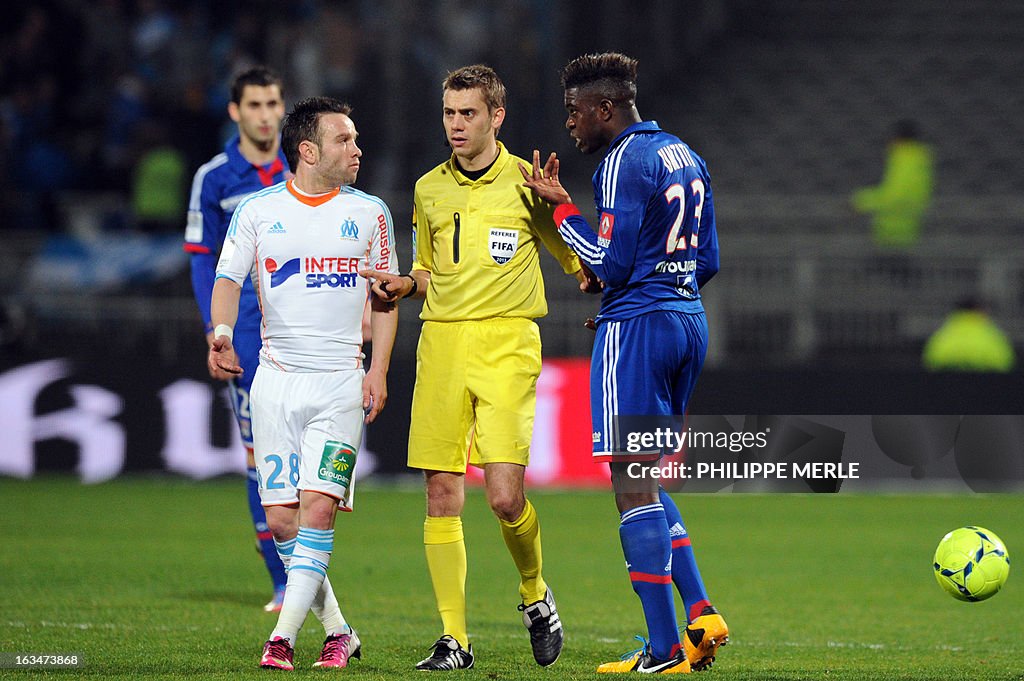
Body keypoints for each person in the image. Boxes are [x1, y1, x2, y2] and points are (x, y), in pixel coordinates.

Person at [361, 64, 596, 671]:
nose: (456, 124)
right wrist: (402, 282)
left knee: (502, 497)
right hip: (439, 345)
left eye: (468, 113)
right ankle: (454, 639)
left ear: (497, 117)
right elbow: (429, 270)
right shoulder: (426, 189)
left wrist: (565, 205)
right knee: (441, 494)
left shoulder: (526, 181)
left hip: (506, 344)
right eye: (448, 113)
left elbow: (584, 266)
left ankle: (534, 593)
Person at [519, 52, 727, 674]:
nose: (571, 126)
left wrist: (559, 207)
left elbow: (607, 262)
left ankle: (665, 652)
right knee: (650, 475)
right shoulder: (685, 154)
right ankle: (700, 615)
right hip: (688, 320)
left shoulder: (621, 161)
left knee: (628, 481)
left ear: (605, 108)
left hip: (640, 328)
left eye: (576, 113)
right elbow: (706, 258)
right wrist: (641, 294)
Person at [209, 96, 399, 670]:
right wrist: (219, 332)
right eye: (345, 140)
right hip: (275, 384)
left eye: (357, 138)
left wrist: (378, 368)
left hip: (340, 383)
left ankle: (282, 640)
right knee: (283, 521)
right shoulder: (259, 212)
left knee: (317, 510)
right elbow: (227, 279)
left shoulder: (371, 214)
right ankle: (340, 630)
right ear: (309, 150)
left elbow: (387, 297)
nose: (357, 149)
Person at [184, 66, 290, 611]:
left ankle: (308, 566)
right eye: (255, 105)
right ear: (235, 111)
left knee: (306, 453)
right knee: (260, 454)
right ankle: (281, 578)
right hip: (246, 333)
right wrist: (215, 330)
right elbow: (205, 265)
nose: (267, 114)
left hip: (303, 331)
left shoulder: (302, 166)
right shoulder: (215, 177)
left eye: (274, 103)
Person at [852, 118, 934, 250]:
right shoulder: (917, 159)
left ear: (897, 139)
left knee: (887, 267)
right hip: (904, 231)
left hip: (894, 232)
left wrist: (861, 202)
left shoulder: (907, 160)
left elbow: (895, 196)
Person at [923, 298, 1016, 372]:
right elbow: (1006, 364)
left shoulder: (941, 338)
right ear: (980, 311)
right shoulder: (994, 337)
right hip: (987, 392)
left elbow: (930, 364)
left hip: (949, 392)